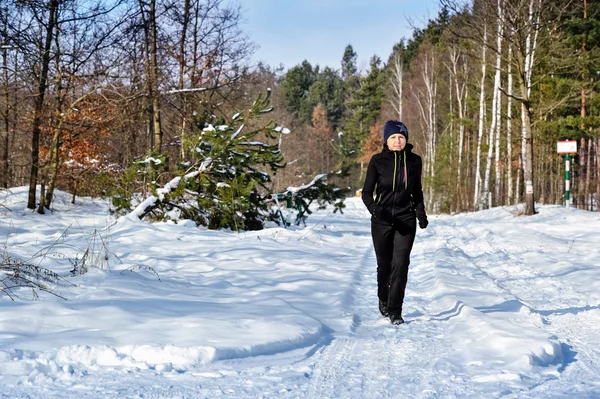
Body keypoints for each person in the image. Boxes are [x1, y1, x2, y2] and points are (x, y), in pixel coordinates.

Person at [361, 120, 428, 325]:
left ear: (406, 139)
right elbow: (366, 193)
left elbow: (416, 191)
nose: (397, 141)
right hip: (381, 220)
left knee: (401, 264)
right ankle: (383, 297)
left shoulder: (415, 161)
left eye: (401, 137)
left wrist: (421, 213)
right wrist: (374, 209)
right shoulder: (377, 161)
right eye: (393, 138)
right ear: (386, 141)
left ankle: (395, 310)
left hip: (405, 219)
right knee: (384, 265)